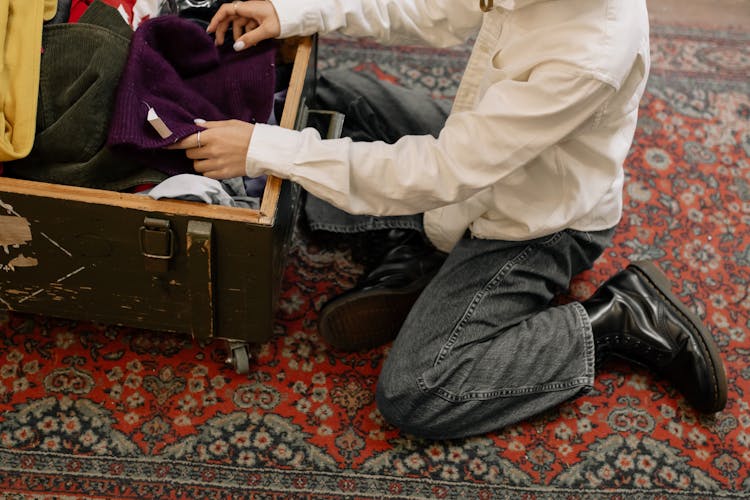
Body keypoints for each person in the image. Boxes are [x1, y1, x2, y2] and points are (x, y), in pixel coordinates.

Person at [168, 0, 728, 439]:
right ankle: (421, 255)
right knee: (329, 97)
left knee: (416, 390)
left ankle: (616, 319)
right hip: (483, 147)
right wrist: (295, 10)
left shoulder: (591, 52)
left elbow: (444, 173)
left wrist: (267, 149)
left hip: (535, 221)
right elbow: (429, 9)